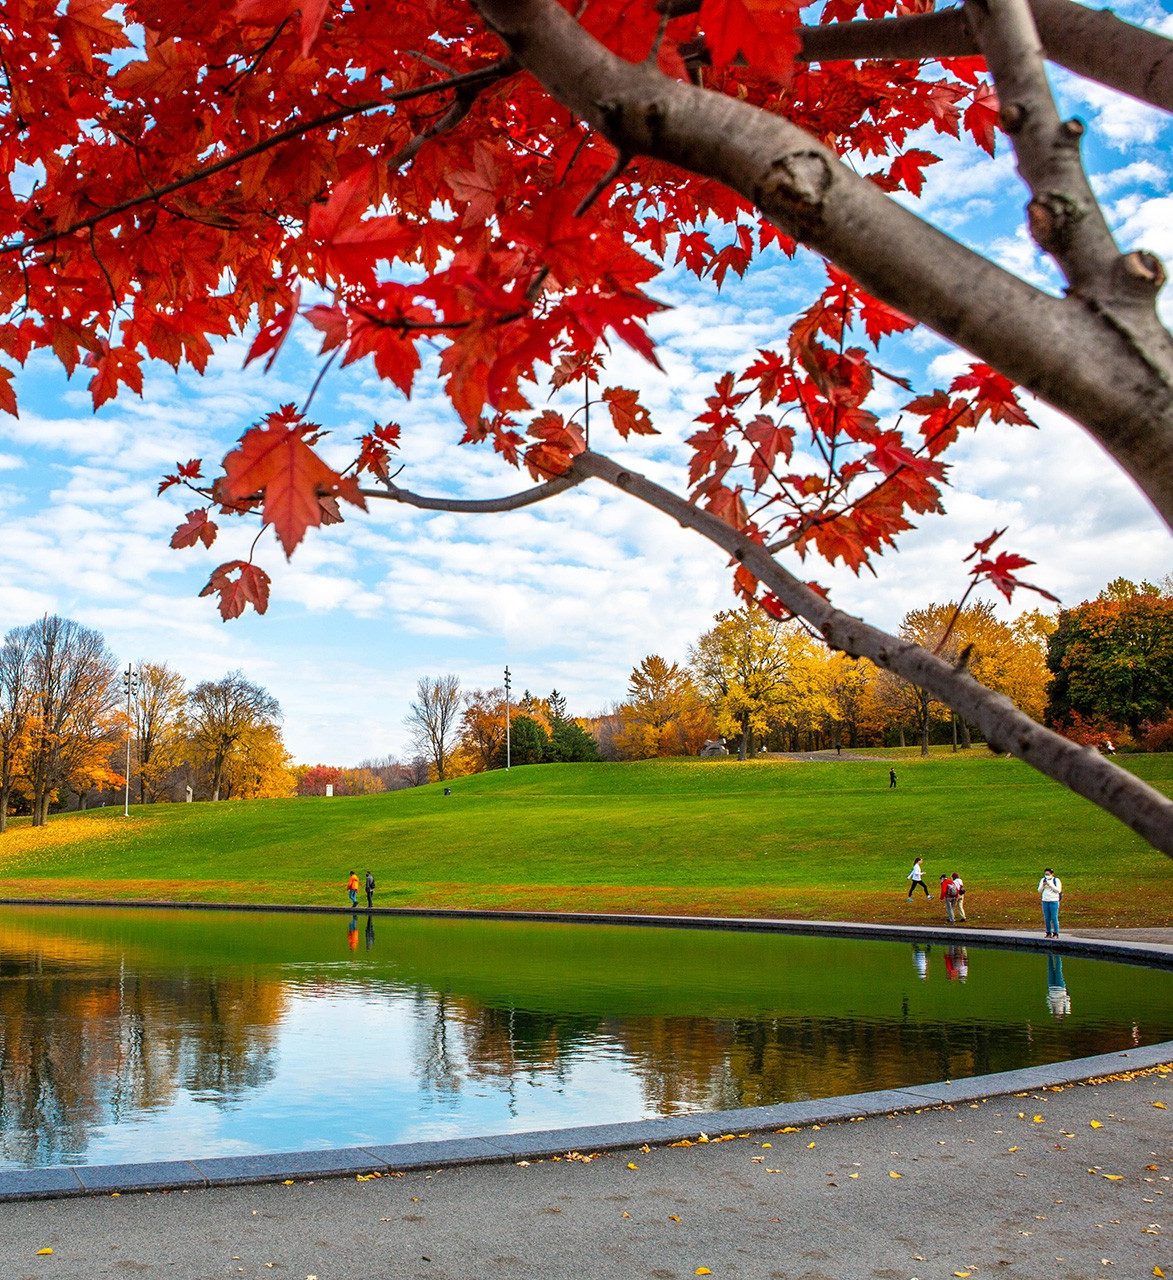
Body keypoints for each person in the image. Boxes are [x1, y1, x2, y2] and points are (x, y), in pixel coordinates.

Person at [1038, 867, 1063, 937]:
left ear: (1052, 874)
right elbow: (1039, 890)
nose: (1046, 875)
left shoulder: (1056, 880)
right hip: (1045, 900)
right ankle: (1048, 932)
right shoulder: (1043, 880)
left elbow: (1058, 890)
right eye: (1045, 874)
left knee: (1054, 917)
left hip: (1054, 901)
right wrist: (1043, 885)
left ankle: (1056, 932)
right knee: (1047, 917)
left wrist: (1050, 885)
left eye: (1048, 874)